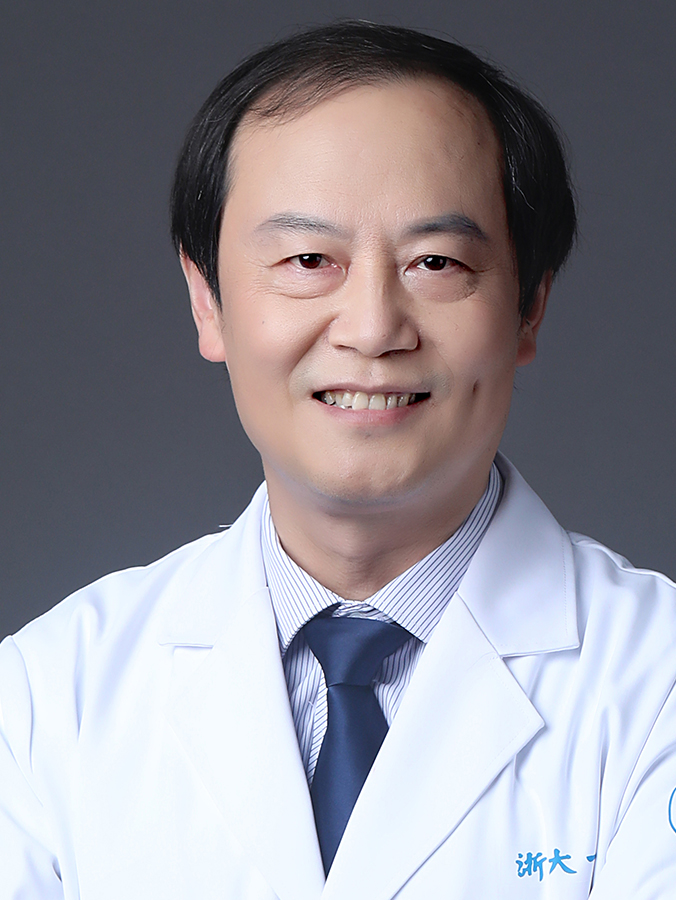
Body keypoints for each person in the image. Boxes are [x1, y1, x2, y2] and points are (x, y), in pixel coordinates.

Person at [1, 20, 674, 899]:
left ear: (528, 309)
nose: (372, 328)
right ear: (207, 300)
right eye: (309, 259)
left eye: (436, 262)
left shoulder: (657, 682)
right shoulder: (47, 696)